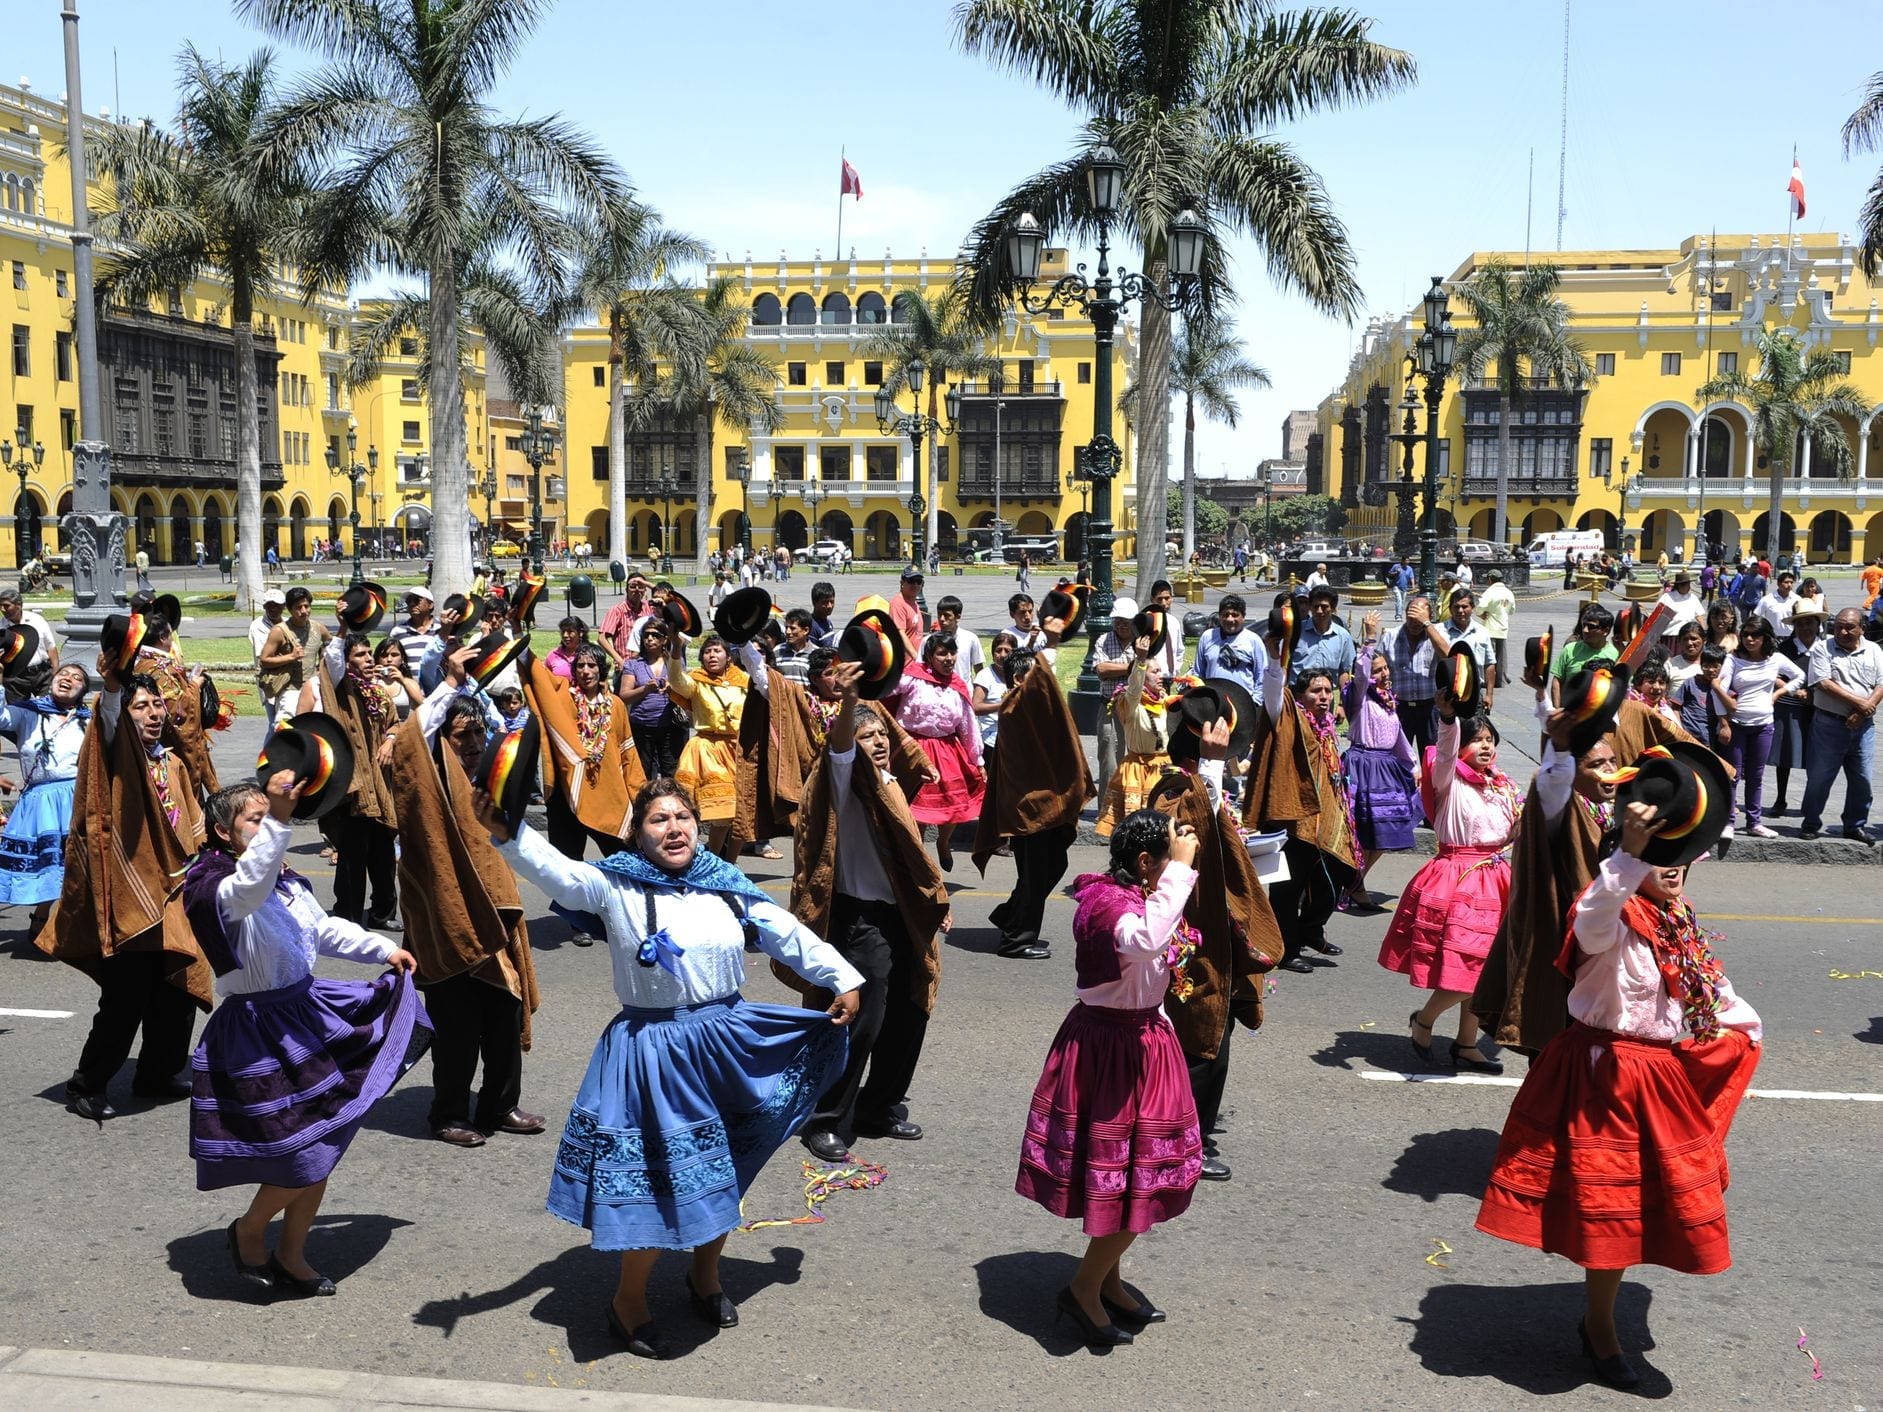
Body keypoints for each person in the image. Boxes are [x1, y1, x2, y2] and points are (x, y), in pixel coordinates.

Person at [476, 777, 862, 1360]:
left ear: (699, 828)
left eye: (683, 817)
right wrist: (512, 836)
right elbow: (561, 875)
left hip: (730, 1041)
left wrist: (842, 975)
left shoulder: (726, 884)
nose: (674, 828)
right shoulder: (615, 884)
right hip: (654, 1053)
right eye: (658, 819)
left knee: (729, 1163)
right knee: (662, 1180)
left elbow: (783, 933)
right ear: (637, 833)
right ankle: (628, 1301)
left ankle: (704, 1276)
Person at [1476, 795, 1760, 1391]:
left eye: (1681, 852)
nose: (1674, 864)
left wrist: (1739, 1033)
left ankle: (1597, 1321)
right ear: (1628, 856)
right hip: (1599, 1079)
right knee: (1610, 1209)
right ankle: (1601, 1330)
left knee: (1639, 1210)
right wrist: (1630, 856)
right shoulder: (1607, 910)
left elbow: (1714, 999)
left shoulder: (1676, 919)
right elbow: (1595, 915)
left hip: (1653, 1080)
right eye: (1660, 854)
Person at [182, 776, 429, 1295]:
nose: (266, 822)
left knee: (324, 1142)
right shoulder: (217, 889)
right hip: (255, 1034)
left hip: (305, 1015)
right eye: (253, 817)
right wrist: (279, 817)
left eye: (265, 816)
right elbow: (251, 881)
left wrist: (381, 949)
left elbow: (322, 928)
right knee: (301, 1151)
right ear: (225, 834)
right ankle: (251, 1228)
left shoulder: (289, 882)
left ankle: (292, 1251)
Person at [1014, 809, 1205, 1348]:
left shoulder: (1136, 896)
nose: (1181, 865)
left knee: (1134, 1176)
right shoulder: (1107, 907)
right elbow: (1146, 941)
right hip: (1110, 1051)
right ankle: (1083, 1288)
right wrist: (1180, 873)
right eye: (1170, 857)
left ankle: (1108, 1281)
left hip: (1144, 1042)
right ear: (1147, 863)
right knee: (1128, 1179)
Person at [782, 664, 951, 1161]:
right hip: (860, 921)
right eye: (866, 734)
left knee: (910, 1013)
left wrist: (932, 904)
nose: (877, 741)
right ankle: (825, 1119)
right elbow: (839, 749)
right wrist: (850, 701)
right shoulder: (844, 780)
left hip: (901, 917)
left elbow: (909, 857)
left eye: (881, 733)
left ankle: (879, 1108)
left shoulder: (891, 782)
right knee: (862, 1020)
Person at [40, 634, 211, 1121]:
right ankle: (86, 1084)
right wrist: (114, 686)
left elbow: (191, 823)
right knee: (125, 998)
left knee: (176, 986)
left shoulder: (172, 762)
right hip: (128, 899)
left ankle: (158, 1071)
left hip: (172, 893)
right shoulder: (113, 758)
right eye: (142, 707)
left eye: (159, 704)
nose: (155, 713)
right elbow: (108, 720)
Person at [389, 652, 544, 1146]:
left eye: (479, 735)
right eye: (463, 737)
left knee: (502, 1015)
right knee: (457, 1028)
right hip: (446, 924)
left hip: (494, 921)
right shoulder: (426, 785)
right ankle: (448, 1112)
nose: (475, 745)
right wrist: (451, 680)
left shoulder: (488, 782)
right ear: (442, 742)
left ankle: (500, 1105)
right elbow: (415, 739)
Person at [1378, 693, 1520, 1074]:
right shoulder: (1448, 778)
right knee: (1472, 968)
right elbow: (1445, 750)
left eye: (1490, 738)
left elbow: (1515, 830)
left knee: (1485, 969)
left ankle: (1466, 1044)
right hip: (1458, 877)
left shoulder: (1503, 786)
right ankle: (1424, 1020)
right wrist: (1447, 717)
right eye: (1477, 739)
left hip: (1496, 880)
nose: (1486, 745)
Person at [973, 626, 1091, 961]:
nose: (1042, 687)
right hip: (1028, 812)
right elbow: (1038, 686)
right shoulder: (1014, 707)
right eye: (1033, 680)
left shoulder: (1027, 706)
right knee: (1035, 874)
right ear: (1016, 682)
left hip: (1042, 807)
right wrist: (1050, 643)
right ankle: (1016, 939)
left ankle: (1011, 914)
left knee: (1054, 864)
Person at [1248, 656, 1356, 974]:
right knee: (1287, 889)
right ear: (1299, 696)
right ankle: (1288, 948)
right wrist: (1276, 654)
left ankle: (1310, 929)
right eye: (1315, 691)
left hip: (1325, 822)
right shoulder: (1289, 717)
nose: (1323, 696)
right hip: (1292, 820)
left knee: (1338, 876)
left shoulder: (1328, 727)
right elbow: (1273, 692)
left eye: (1327, 691)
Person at [532, 642, 644, 875]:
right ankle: (578, 910)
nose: (585, 671)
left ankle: (623, 906)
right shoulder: (564, 698)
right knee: (567, 864)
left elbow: (628, 754)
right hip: (569, 793)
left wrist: (640, 795)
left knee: (623, 859)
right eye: (580, 665)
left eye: (591, 665)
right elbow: (540, 679)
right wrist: (518, 637)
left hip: (607, 795)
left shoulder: (616, 705)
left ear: (601, 669)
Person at [316, 631, 402, 927]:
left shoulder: (378, 692)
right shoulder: (341, 692)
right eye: (360, 655)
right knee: (353, 854)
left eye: (369, 654)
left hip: (380, 785)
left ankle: (383, 913)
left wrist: (390, 739)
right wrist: (342, 627)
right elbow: (332, 660)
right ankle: (348, 916)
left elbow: (395, 724)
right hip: (352, 788)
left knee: (383, 851)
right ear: (347, 662)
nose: (368, 659)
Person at [0, 661, 92, 933]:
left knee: (78, 863)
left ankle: (76, 925)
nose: (67, 679)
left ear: (82, 689)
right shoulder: (29, 713)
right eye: (63, 673)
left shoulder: (88, 719)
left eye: (76, 678)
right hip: (41, 801)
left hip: (77, 796)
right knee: (47, 864)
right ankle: (42, 914)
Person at [887, 631, 984, 872]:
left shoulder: (958, 687)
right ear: (930, 656)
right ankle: (917, 859)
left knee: (951, 807)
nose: (949, 658)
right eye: (942, 653)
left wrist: (978, 761)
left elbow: (968, 726)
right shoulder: (913, 678)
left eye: (952, 653)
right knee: (916, 810)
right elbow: (883, 688)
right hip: (913, 750)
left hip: (947, 751)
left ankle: (943, 842)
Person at [1341, 631, 1419, 910]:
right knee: (1365, 833)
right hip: (1364, 766)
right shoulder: (1359, 697)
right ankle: (1353, 884)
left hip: (1387, 768)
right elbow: (1360, 675)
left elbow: (1397, 738)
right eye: (1377, 670)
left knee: (1387, 832)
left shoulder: (1388, 701)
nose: (1384, 674)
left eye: (1385, 668)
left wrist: (1412, 766)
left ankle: (1354, 881)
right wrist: (1369, 642)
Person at [1800, 608, 1883, 842]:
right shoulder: (1822, 648)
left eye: (1849, 627)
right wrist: (1860, 704)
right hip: (1829, 725)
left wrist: (1864, 711)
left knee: (1863, 779)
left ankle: (1855, 825)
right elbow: (1823, 683)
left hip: (1864, 727)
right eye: (1838, 627)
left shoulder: (1874, 650)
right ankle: (1811, 822)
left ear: (1862, 629)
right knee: (1819, 777)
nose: (1843, 631)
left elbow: (1881, 684)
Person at [1717, 616, 1804, 837]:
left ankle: (1754, 822)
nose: (1749, 639)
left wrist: (1779, 693)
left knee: (1756, 776)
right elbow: (1719, 691)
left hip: (1764, 724)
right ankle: (1728, 822)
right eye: (1745, 634)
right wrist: (1723, 722)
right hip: (1737, 724)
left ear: (1765, 637)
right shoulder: (1733, 660)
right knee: (1733, 774)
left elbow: (1799, 676)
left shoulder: (1775, 659)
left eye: (1754, 635)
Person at [668, 635, 748, 859]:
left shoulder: (743, 680)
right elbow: (675, 680)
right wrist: (676, 648)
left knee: (742, 814)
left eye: (717, 651)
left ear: (728, 656)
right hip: (708, 750)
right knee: (722, 812)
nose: (712, 655)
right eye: (707, 652)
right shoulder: (696, 681)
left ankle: (731, 864)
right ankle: (714, 860)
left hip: (739, 750)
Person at [1093, 628, 1171, 838]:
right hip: (1137, 771)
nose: (1160, 675)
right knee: (1136, 832)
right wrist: (1141, 660)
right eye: (1154, 672)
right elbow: (1134, 688)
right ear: (1142, 675)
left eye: (1160, 671)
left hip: (1163, 768)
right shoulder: (1128, 703)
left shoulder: (1165, 701)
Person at [618, 619, 687, 779]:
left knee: (671, 773)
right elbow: (624, 697)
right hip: (641, 726)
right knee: (643, 773)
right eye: (646, 635)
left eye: (655, 635)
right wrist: (645, 689)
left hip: (670, 727)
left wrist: (673, 689)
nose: (649, 638)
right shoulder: (633, 664)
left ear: (664, 639)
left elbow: (686, 692)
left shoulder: (675, 663)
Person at [1771, 608, 1823, 816]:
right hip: (1789, 707)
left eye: (1809, 622)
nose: (1805, 628)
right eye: (1800, 624)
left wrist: (1813, 694)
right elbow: (1772, 674)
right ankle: (1780, 799)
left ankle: (1810, 802)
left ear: (1818, 624)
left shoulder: (1825, 649)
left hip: (1818, 709)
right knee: (1784, 755)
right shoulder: (1785, 648)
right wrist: (1793, 691)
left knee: (1816, 757)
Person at [259, 587, 330, 728]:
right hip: (290, 692)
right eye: (299, 607)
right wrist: (291, 657)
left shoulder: (318, 628)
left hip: (314, 689)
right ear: (290, 610)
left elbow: (329, 644)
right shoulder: (279, 631)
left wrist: (322, 664)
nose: (304, 611)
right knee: (286, 733)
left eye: (307, 606)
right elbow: (264, 660)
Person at [1379, 595, 1440, 753]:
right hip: (1400, 708)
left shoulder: (1437, 636)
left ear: (1429, 617)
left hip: (1429, 707)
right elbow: (1377, 668)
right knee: (1397, 758)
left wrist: (1427, 625)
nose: (1414, 623)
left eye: (1419, 618)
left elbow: (1450, 656)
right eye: (1410, 618)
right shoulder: (1390, 636)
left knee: (1431, 758)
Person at [1428, 587, 1496, 713]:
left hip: (1474, 695)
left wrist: (1489, 694)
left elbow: (1489, 664)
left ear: (1472, 608)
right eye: (1456, 607)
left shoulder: (1482, 632)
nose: (1460, 611)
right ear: (1450, 609)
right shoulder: (1438, 632)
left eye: (1464, 607)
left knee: (1474, 731)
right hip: (1445, 696)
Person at [1192, 594, 1266, 697]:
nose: (1230, 619)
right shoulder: (1208, 637)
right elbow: (1198, 673)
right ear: (1220, 616)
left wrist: (1255, 703)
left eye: (1235, 615)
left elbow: (1262, 677)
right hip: (1214, 702)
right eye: (1225, 615)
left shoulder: (1253, 640)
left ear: (1243, 616)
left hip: (1243, 704)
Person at [1549, 604, 1617, 709]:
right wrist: (1557, 710)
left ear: (1605, 631)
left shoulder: (1615, 654)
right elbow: (1557, 681)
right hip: (1569, 715)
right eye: (1584, 625)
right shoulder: (1570, 649)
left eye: (1591, 627)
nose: (1585, 630)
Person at [0, 584, 58, 701]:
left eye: (7, 606)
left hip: (43, 674)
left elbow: (51, 647)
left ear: (19, 605)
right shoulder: (1, 628)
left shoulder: (37, 620)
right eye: (0, 606)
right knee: (18, 713)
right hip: (15, 680)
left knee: (47, 710)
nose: (2, 610)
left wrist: (55, 673)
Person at [1292, 585, 1357, 687]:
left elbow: (1345, 671)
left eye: (1324, 607)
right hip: (1297, 695)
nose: (1319, 611)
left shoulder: (1343, 636)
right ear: (1310, 607)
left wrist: (1344, 699)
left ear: (1333, 609)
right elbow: (1283, 665)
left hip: (1325, 696)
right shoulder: (1295, 631)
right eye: (1315, 606)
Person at [249, 589, 287, 730]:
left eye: (276, 605)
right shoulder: (257, 626)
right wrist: (291, 656)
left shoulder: (288, 623)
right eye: (269, 605)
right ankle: (269, 751)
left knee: (285, 721)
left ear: (283, 606)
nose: (273, 609)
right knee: (275, 723)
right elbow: (264, 657)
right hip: (268, 680)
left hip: (288, 679)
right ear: (264, 606)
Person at [933, 595, 985, 680]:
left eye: (946, 615)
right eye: (939, 615)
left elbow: (979, 669)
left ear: (958, 617)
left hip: (964, 690)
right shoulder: (929, 641)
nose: (941, 619)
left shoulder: (970, 639)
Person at [374, 638, 424, 723]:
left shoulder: (409, 682)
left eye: (394, 655)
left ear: (402, 658)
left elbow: (422, 706)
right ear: (377, 658)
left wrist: (403, 681)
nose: (389, 659)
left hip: (402, 731)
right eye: (384, 655)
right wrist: (369, 679)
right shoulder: (371, 681)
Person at [1144, 580, 1187, 679]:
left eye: (1167, 598)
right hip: (1151, 679)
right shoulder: (1147, 622)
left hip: (1169, 677)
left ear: (1172, 598)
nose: (1164, 603)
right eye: (1159, 599)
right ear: (1152, 599)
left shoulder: (1174, 622)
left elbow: (1179, 650)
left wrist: (1175, 669)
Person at [889, 567, 926, 657]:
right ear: (902, 583)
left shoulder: (913, 602)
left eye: (919, 581)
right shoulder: (898, 603)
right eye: (911, 581)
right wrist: (915, 657)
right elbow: (900, 633)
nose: (915, 585)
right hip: (905, 666)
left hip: (915, 664)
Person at [1754, 567, 1800, 637]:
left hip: (1792, 637)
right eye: (1786, 582)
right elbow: (1756, 617)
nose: (1789, 585)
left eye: (1791, 582)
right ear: (1778, 583)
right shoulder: (1767, 600)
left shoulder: (1797, 599)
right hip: (1773, 637)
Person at [545, 616, 592, 681]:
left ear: (580, 633)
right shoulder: (553, 655)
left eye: (570, 631)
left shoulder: (590, 653)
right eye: (563, 631)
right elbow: (546, 679)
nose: (565, 635)